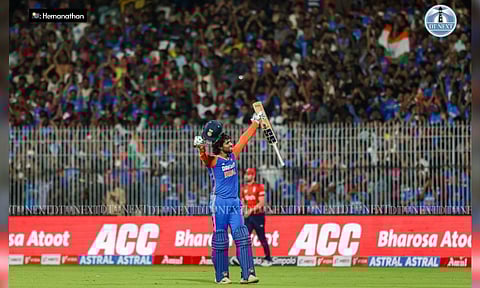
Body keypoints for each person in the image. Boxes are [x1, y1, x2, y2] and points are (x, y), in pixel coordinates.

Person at [193, 113, 265, 284]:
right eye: (227, 143)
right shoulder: (214, 161)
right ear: (220, 145)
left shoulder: (233, 155)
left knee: (242, 236)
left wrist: (255, 122)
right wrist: (201, 147)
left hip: (234, 203)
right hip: (219, 204)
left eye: (231, 142)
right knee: (220, 239)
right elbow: (204, 158)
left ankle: (248, 274)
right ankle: (222, 276)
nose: (231, 144)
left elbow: (244, 138)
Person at [241, 168, 273, 267]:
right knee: (244, 238)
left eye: (249, 174)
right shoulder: (243, 188)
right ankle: (243, 258)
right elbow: (243, 202)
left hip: (258, 216)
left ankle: (268, 259)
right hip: (248, 216)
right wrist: (244, 210)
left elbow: (261, 203)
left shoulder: (259, 186)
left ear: (253, 175)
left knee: (262, 237)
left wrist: (250, 210)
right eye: (246, 174)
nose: (246, 176)